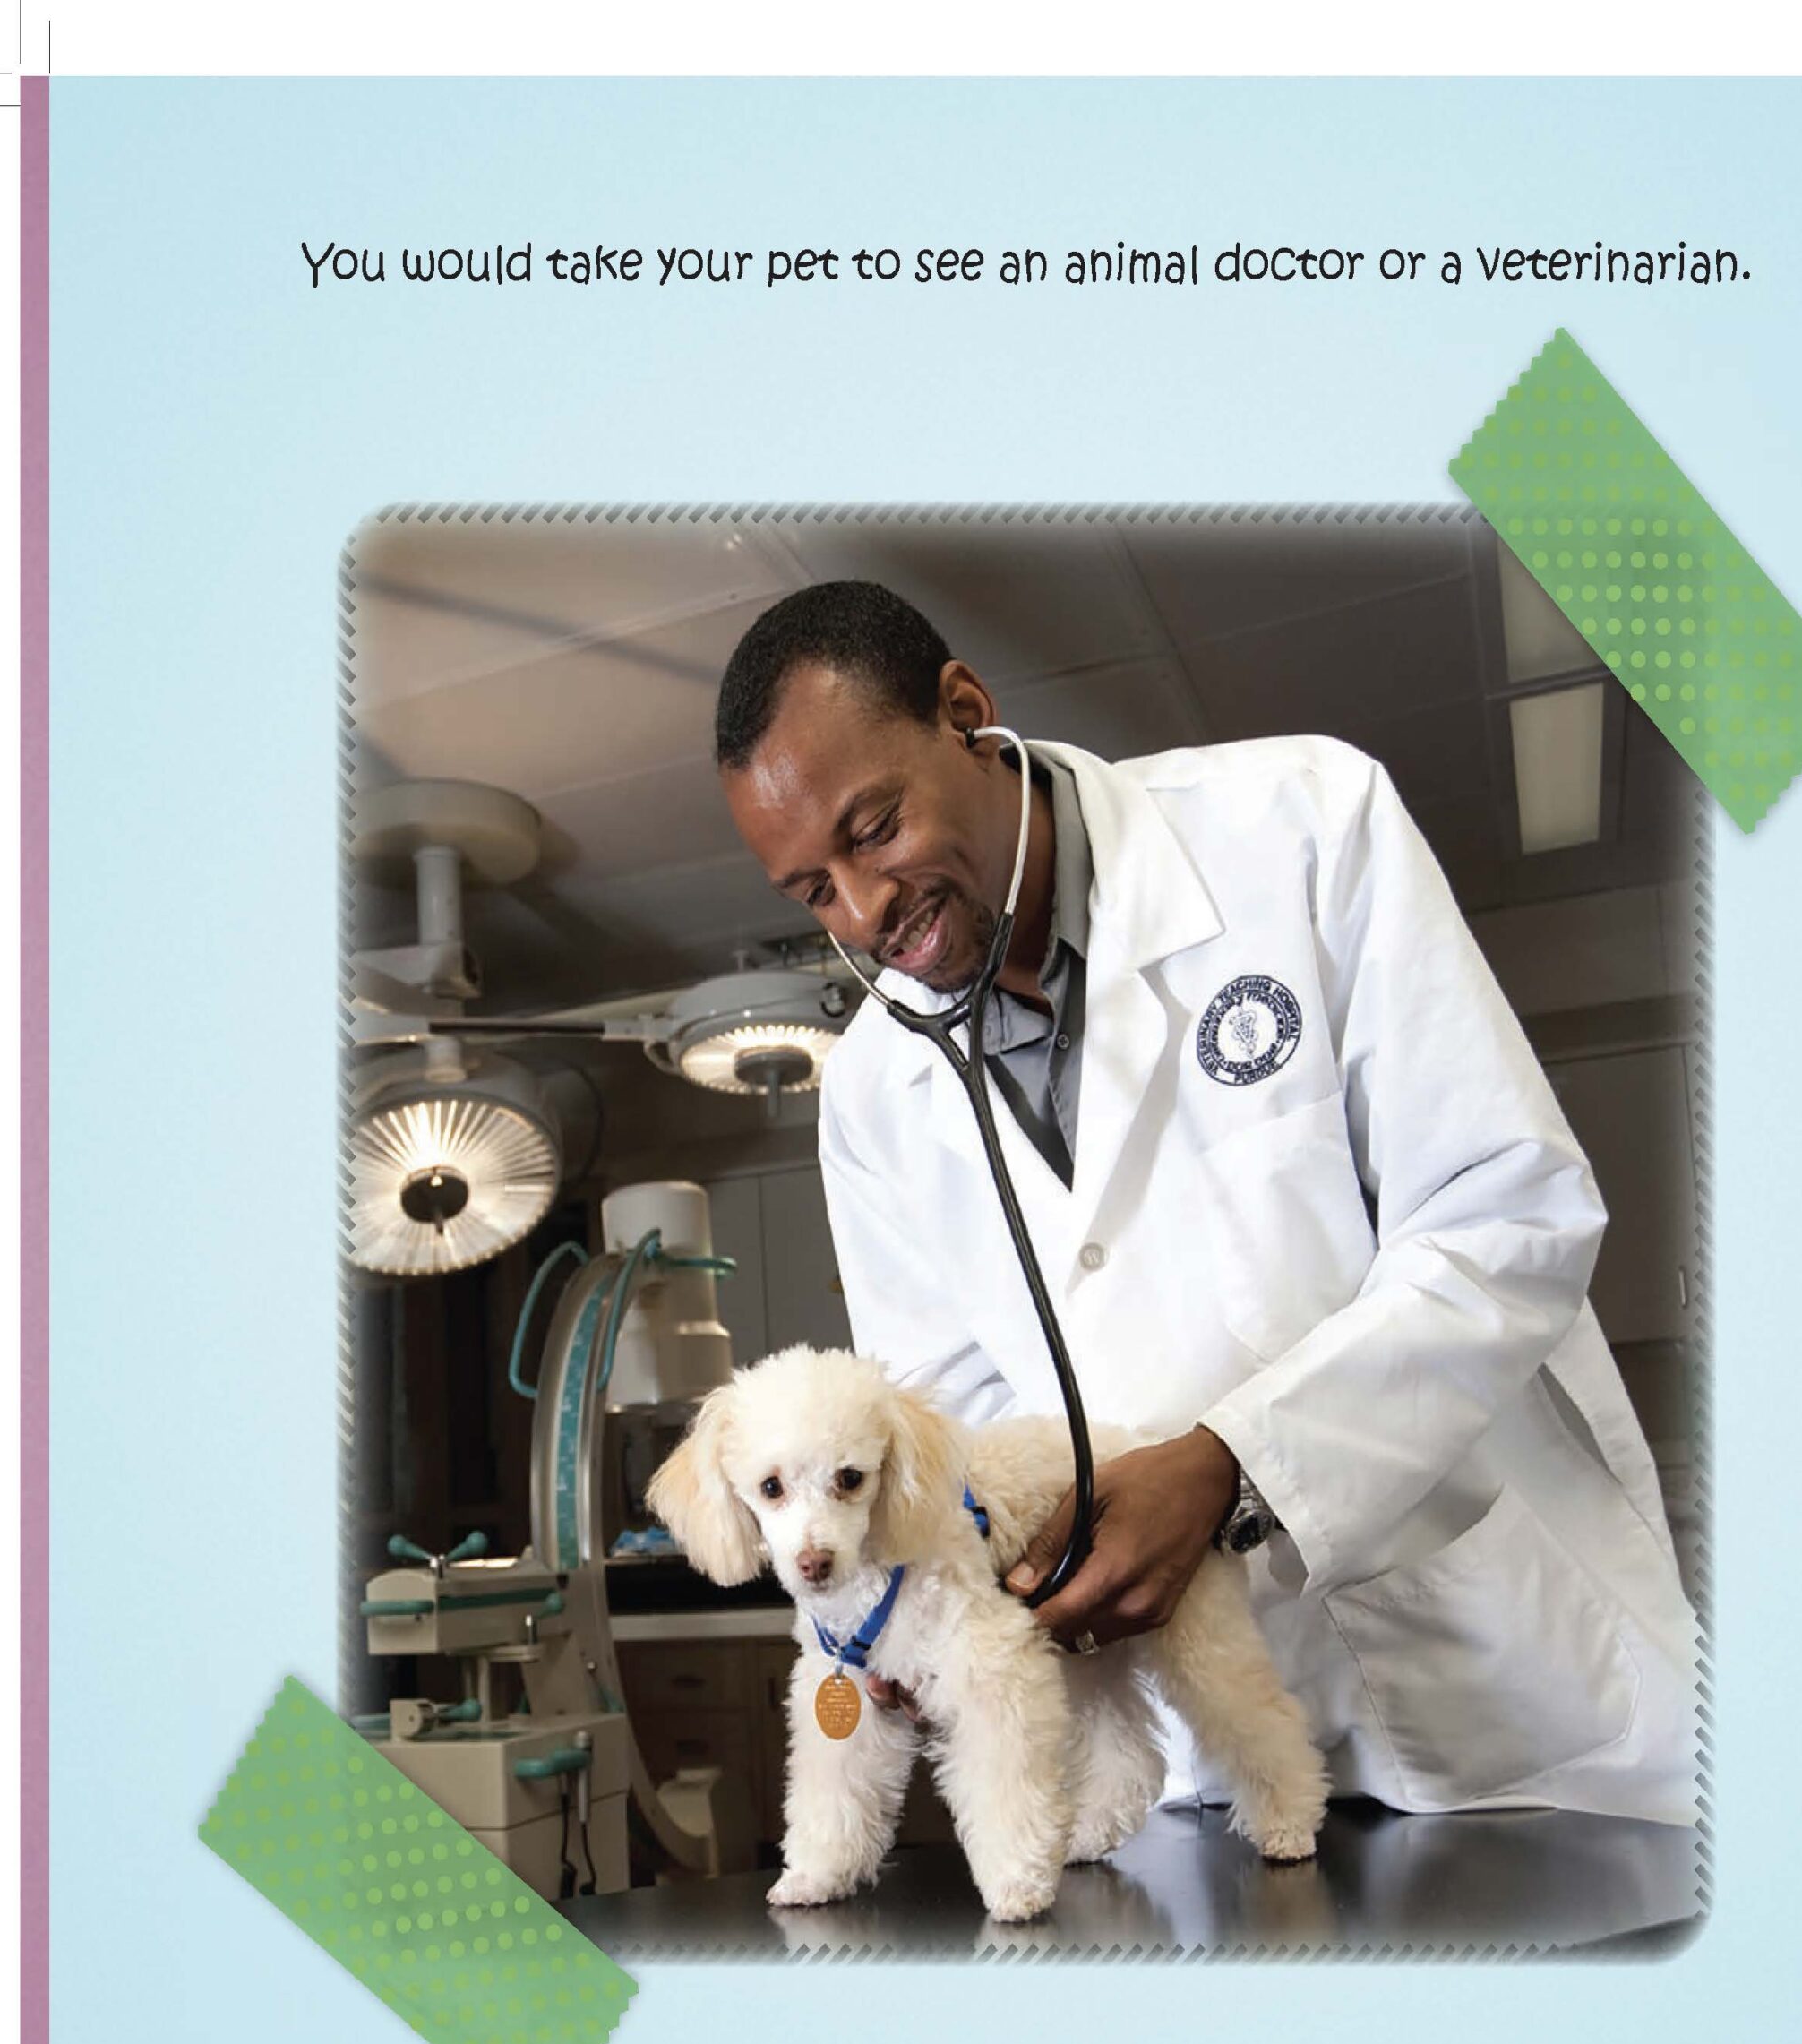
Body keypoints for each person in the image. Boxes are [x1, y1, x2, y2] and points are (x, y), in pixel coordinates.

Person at [711, 579, 1701, 1825]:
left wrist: (1236, 1466)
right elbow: (943, 1420)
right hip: (1181, 1751)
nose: (862, 910)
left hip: (1504, 1682)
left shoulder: (1300, 825)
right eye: (813, 890)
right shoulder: (869, 1091)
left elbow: (1506, 1216)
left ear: (964, 712)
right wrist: (950, 1593)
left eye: (875, 829)